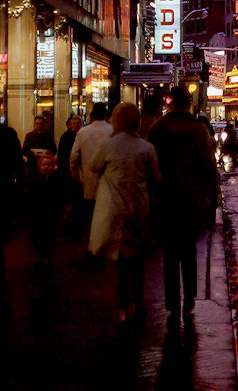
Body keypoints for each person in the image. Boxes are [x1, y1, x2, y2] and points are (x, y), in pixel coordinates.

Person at [148, 85, 218, 318]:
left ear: (170, 103)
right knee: (189, 251)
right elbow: (209, 167)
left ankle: (172, 302)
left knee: (169, 254)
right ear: (189, 103)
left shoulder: (157, 128)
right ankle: (189, 299)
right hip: (192, 198)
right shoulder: (199, 129)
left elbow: (150, 165)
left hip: (166, 197)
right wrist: (212, 198)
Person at [89, 102, 161, 325]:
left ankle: (123, 305)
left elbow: (93, 166)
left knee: (120, 261)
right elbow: (156, 177)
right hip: (139, 209)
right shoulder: (145, 147)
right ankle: (138, 303)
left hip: (115, 210)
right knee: (138, 260)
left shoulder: (108, 145)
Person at [0, 99, 25, 284]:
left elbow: (17, 160)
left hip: (2, 187)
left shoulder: (8, 134)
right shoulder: (7, 133)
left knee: (0, 229)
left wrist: (19, 183)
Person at [69, 102, 112, 227]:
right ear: (106, 114)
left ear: (92, 115)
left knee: (91, 212)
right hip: (109, 178)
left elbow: (74, 155)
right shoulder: (112, 130)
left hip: (88, 178)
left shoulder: (83, 132)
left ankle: (91, 238)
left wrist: (74, 171)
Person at [28, 152, 65, 272]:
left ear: (53, 167)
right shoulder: (36, 181)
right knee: (38, 237)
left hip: (50, 215)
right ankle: (41, 256)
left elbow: (60, 198)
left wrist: (60, 211)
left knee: (49, 237)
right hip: (38, 215)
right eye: (43, 165)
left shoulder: (56, 181)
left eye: (49, 165)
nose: (46, 167)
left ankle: (47, 257)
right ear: (40, 167)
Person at [57, 115, 84, 230]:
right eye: (74, 123)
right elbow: (62, 156)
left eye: (78, 123)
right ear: (69, 125)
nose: (76, 125)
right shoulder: (66, 137)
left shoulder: (83, 136)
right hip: (69, 172)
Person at [23, 115, 57, 181]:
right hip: (33, 165)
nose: (38, 126)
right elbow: (24, 150)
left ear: (44, 124)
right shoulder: (29, 136)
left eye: (40, 124)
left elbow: (54, 149)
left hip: (46, 165)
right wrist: (32, 153)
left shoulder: (49, 135)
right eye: (37, 124)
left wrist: (47, 153)